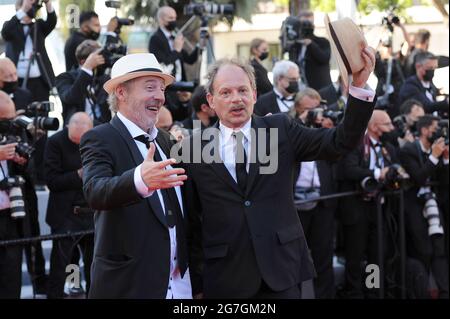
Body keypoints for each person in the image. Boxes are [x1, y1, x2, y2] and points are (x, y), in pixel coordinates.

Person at [181, 44, 376, 299]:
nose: (236, 98)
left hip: (281, 271)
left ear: (254, 93)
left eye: (242, 90)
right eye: (225, 92)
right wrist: (196, 281)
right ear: (211, 101)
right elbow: (191, 222)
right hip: (225, 276)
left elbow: (339, 142)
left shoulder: (280, 129)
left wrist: (359, 87)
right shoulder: (194, 147)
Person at [79, 53, 191, 298]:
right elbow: (95, 191)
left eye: (162, 89)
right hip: (129, 286)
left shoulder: (165, 139)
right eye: (150, 87)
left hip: (180, 285)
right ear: (121, 92)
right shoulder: (100, 138)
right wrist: (139, 179)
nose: (160, 97)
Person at [339, 110, 401, 298]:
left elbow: (393, 170)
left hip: (379, 208)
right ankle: (354, 293)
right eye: (387, 124)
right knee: (355, 256)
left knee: (376, 255)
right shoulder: (356, 143)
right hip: (357, 208)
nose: (391, 129)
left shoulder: (387, 147)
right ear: (374, 126)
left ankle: (372, 290)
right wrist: (375, 174)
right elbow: (348, 170)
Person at [45, 112, 94, 299]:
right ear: (67, 127)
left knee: (92, 265)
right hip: (65, 214)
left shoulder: (96, 140)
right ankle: (67, 289)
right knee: (62, 264)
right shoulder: (55, 142)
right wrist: (78, 175)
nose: (79, 143)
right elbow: (52, 181)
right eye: (75, 139)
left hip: (91, 212)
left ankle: (85, 291)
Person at [399, 115, 449, 298]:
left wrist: (445, 159)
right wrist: (435, 157)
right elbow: (418, 178)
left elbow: (444, 182)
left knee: (439, 248)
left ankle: (444, 291)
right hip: (414, 207)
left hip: (433, 205)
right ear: (424, 130)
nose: (439, 133)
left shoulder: (437, 150)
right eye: (435, 129)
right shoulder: (408, 150)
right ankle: (421, 291)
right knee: (423, 250)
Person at [1, 0, 56, 103]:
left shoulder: (38, 26)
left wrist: (48, 3)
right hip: (18, 82)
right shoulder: (12, 26)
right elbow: (5, 32)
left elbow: (52, 22)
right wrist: (23, 10)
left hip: (40, 81)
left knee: (41, 111)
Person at [0, 91, 24, 298]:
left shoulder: (10, 135)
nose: (10, 124)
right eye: (6, 120)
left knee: (12, 271)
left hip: (11, 214)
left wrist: (19, 161)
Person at [56, 40, 111, 125]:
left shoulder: (104, 78)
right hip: (78, 127)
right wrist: (87, 68)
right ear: (83, 62)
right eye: (97, 58)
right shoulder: (64, 78)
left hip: (102, 128)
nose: (102, 60)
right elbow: (71, 98)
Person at [148, 6, 199, 82]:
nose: (174, 21)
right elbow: (164, 64)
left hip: (181, 84)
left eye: (175, 18)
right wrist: (177, 51)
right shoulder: (155, 39)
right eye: (171, 18)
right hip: (168, 86)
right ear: (161, 20)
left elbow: (190, 60)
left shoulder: (175, 37)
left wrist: (199, 45)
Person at [288, 11, 332, 90]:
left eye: (310, 23)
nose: (306, 26)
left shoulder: (322, 41)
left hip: (322, 89)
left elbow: (324, 58)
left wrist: (311, 44)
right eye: (303, 23)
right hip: (303, 89)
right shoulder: (296, 45)